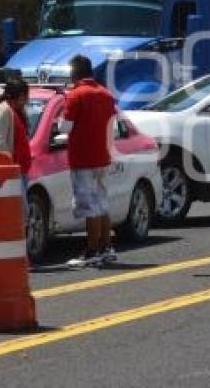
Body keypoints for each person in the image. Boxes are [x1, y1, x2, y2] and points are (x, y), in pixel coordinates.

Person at [62, 55, 118, 268]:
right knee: (102, 203)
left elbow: (65, 127)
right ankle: (107, 247)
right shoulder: (105, 94)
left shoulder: (76, 95)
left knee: (89, 206)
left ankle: (92, 250)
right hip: (103, 155)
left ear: (75, 72)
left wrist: (61, 120)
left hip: (83, 157)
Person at [0, 78, 32, 223]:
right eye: (24, 97)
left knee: (23, 212)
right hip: (11, 171)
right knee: (20, 212)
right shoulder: (4, 110)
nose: (26, 101)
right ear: (17, 96)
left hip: (21, 170)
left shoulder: (16, 111)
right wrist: (9, 167)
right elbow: (0, 143)